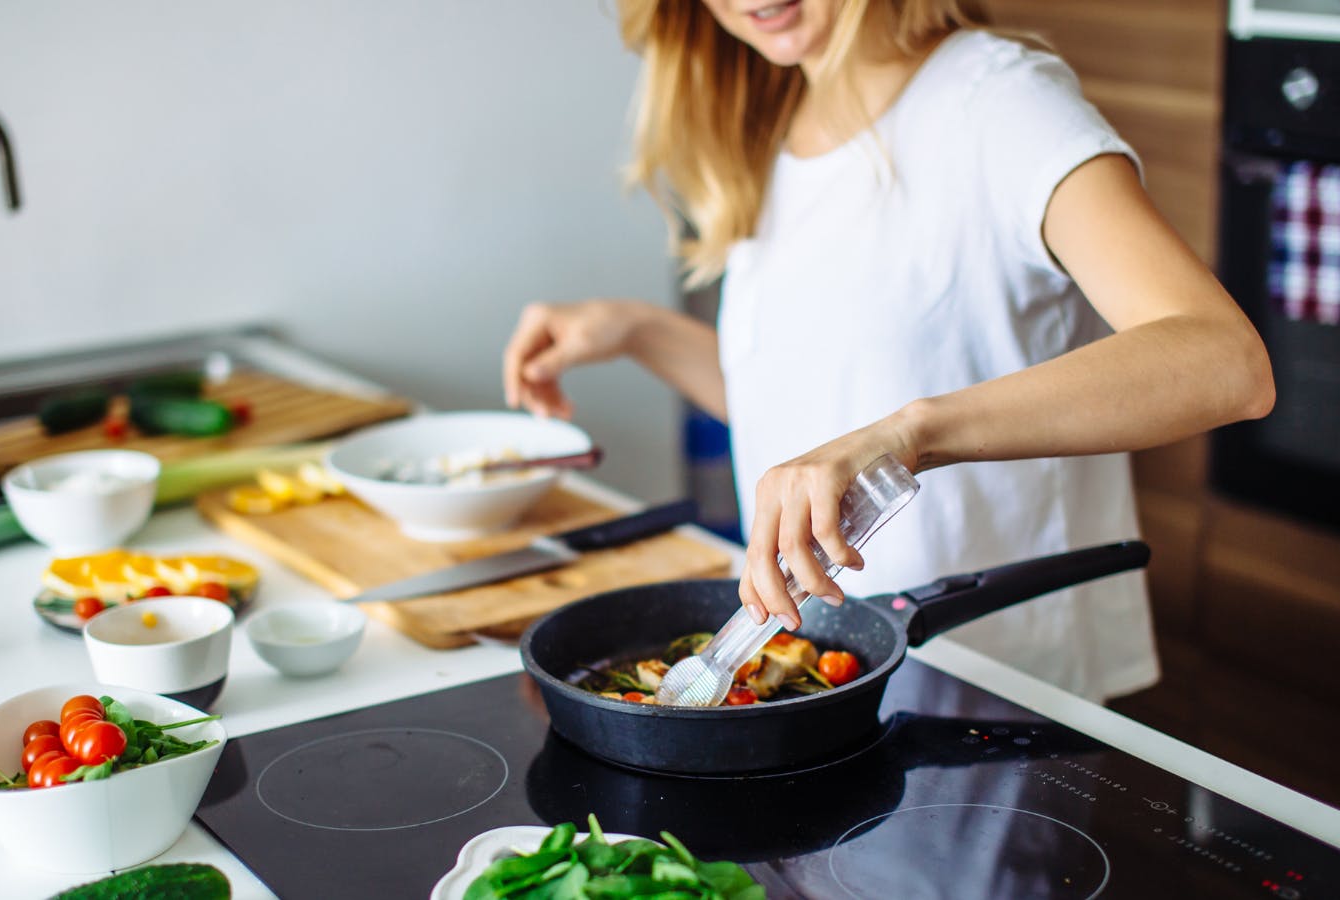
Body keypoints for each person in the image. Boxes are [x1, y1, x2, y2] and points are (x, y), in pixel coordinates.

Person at [501, 0, 1274, 702]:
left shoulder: (1000, 102)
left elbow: (1224, 362)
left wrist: (907, 438)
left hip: (988, 682)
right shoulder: (783, 119)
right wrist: (639, 330)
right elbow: (814, 412)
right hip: (823, 679)